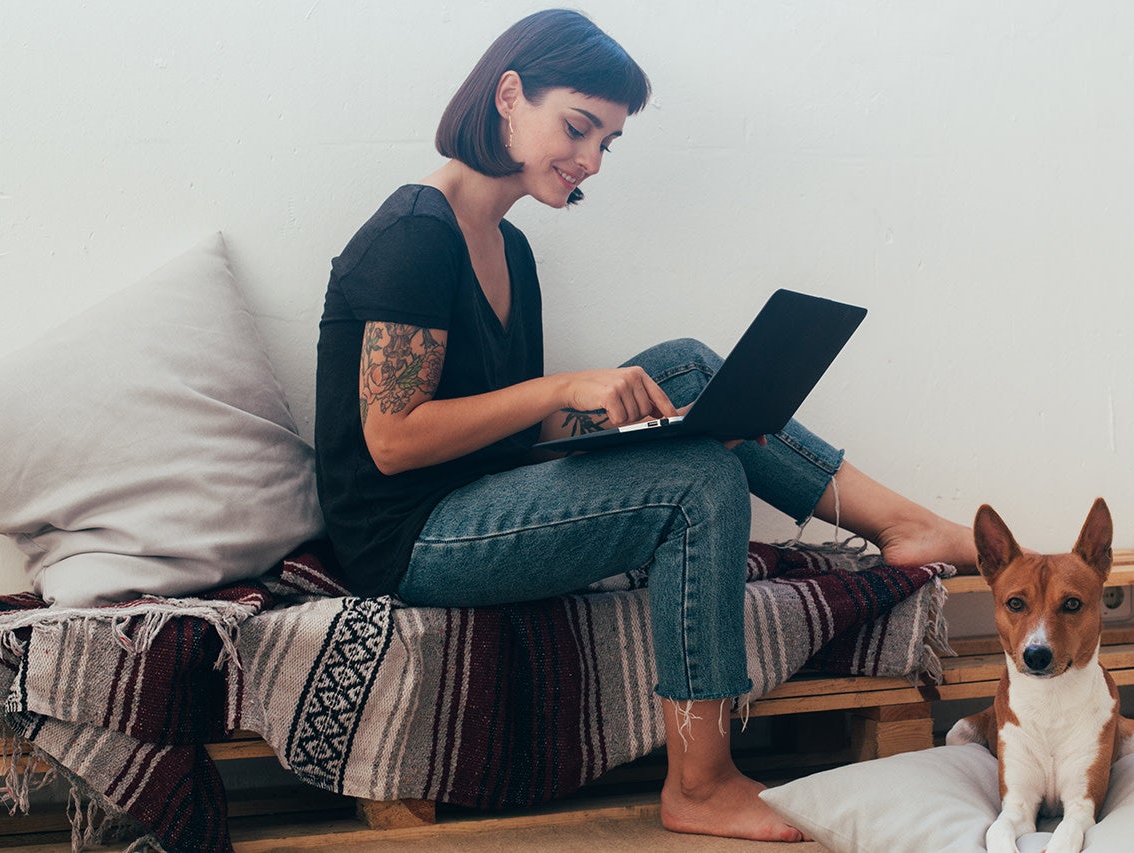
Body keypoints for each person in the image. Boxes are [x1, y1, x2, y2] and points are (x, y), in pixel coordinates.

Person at [314, 9, 978, 843]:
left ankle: (903, 524)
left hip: (479, 490)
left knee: (691, 369)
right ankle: (698, 783)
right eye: (578, 127)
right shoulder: (414, 235)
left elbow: (501, 426)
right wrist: (565, 390)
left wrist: (604, 414)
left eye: (607, 142)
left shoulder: (505, 246)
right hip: (405, 538)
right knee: (697, 482)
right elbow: (393, 439)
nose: (590, 160)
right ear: (508, 97)